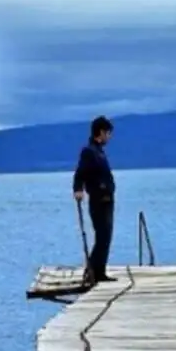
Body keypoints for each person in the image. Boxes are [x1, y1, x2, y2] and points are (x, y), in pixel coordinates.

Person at [72, 115, 116, 284]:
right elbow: (80, 173)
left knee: (106, 236)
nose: (109, 137)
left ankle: (99, 271)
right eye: (108, 133)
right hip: (98, 200)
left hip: (107, 200)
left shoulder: (99, 151)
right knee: (102, 235)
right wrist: (78, 189)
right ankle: (91, 270)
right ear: (101, 132)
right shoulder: (89, 152)